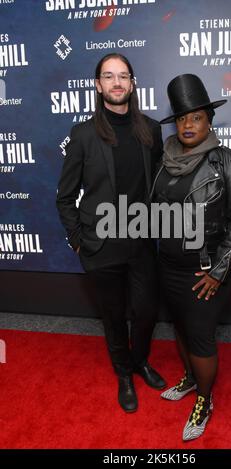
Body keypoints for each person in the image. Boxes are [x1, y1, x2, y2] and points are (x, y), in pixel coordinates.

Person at [56, 53, 166, 413]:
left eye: (123, 76)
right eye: (109, 76)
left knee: (147, 311)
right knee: (114, 315)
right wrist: (77, 241)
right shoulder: (84, 135)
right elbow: (65, 196)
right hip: (100, 245)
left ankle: (139, 361)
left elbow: (162, 185)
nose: (117, 82)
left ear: (132, 84)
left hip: (141, 242)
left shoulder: (151, 130)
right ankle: (123, 373)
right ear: (98, 85)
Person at [152, 74, 231, 441]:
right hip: (169, 266)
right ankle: (192, 380)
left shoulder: (225, 162)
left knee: (201, 338)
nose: (187, 124)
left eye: (195, 117)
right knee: (179, 327)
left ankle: (205, 400)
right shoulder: (165, 160)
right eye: (181, 118)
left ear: (209, 119)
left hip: (204, 271)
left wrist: (219, 271)